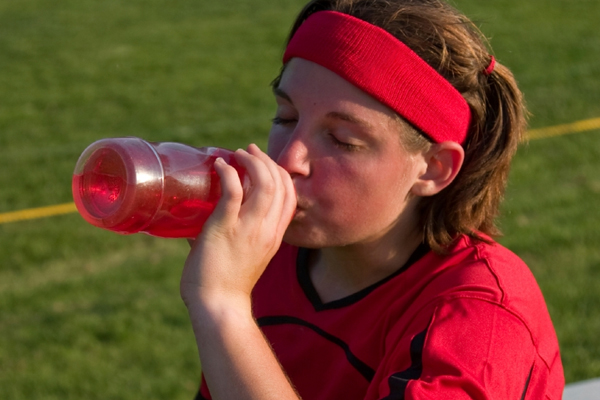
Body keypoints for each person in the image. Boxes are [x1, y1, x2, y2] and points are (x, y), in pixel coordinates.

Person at [179, 0, 565, 398]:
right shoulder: (264, 256)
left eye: (343, 140)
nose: (289, 159)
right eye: (286, 118)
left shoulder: (479, 320)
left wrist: (225, 307)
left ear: (433, 168)